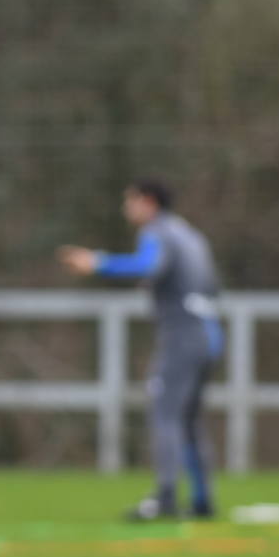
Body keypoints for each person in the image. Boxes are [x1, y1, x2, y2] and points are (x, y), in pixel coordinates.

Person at [59, 178, 224, 520]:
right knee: (189, 421)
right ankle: (202, 500)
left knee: (165, 414)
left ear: (148, 202)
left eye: (130, 201)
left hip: (183, 336)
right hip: (209, 333)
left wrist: (98, 262)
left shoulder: (158, 233)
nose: (126, 208)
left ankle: (165, 499)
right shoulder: (189, 234)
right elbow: (208, 283)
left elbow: (149, 265)